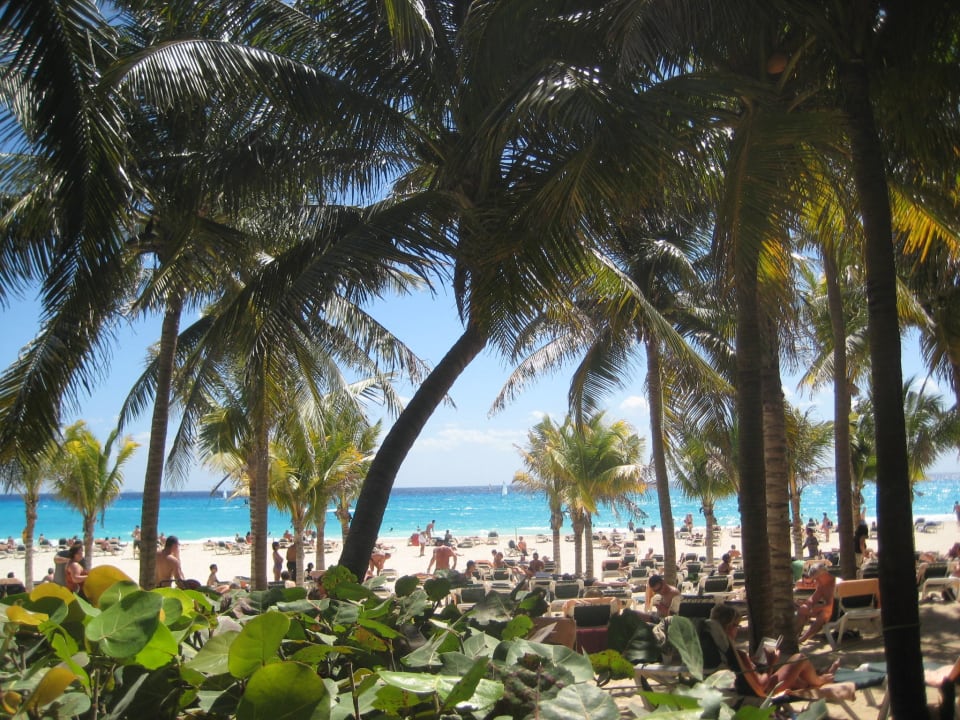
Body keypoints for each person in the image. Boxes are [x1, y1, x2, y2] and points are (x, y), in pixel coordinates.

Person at [711, 604, 839, 696]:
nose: (737, 630)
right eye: (736, 626)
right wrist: (771, 662)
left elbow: (741, 672)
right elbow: (762, 685)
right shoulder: (739, 654)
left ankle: (818, 677)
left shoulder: (717, 649)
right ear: (729, 627)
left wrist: (752, 662)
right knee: (799, 659)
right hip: (761, 692)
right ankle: (823, 680)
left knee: (797, 680)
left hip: (742, 688)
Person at [796, 563, 837, 643]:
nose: (816, 581)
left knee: (823, 613)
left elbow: (832, 606)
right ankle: (795, 635)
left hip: (836, 613)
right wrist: (807, 605)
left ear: (824, 575)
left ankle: (803, 638)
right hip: (828, 610)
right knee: (803, 609)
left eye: (817, 578)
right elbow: (813, 598)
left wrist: (817, 609)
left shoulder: (835, 583)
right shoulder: (822, 585)